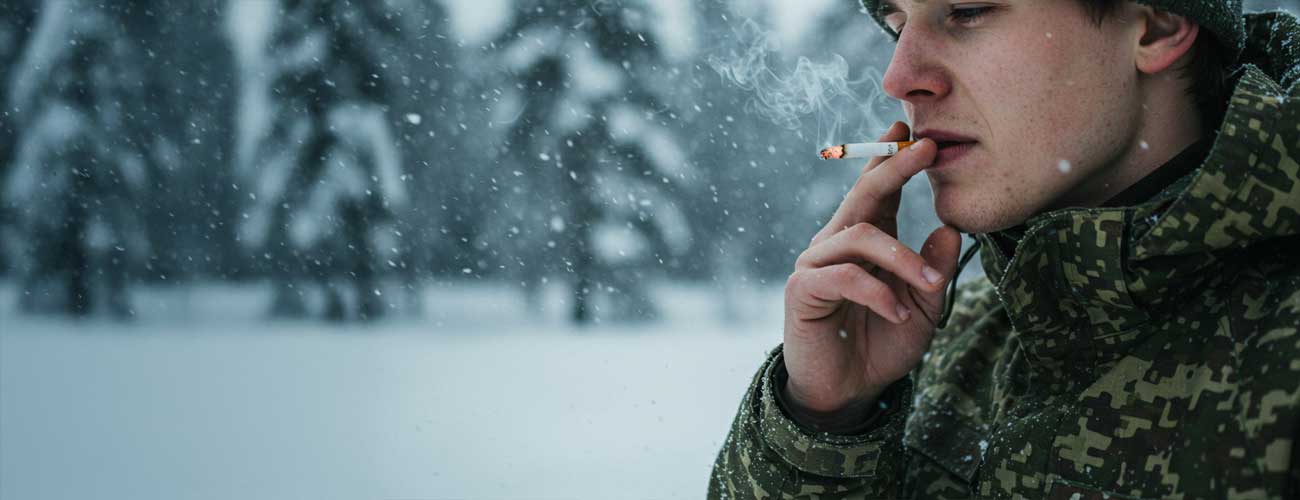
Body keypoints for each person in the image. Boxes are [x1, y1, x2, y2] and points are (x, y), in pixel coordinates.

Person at [709, 1, 1300, 498]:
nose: (898, 77)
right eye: (896, 26)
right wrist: (824, 422)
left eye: (966, 12)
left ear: (1157, 24)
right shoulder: (943, 343)